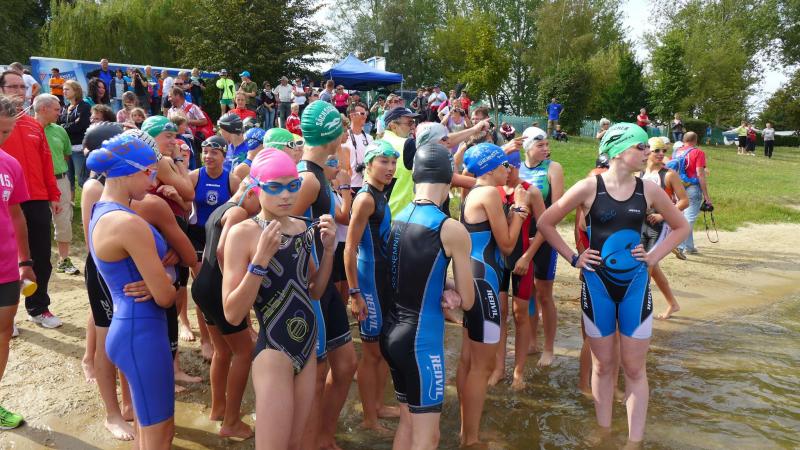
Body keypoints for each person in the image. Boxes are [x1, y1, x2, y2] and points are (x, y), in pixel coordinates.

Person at [537, 122, 690, 445]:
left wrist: (652, 256)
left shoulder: (647, 190)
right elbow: (546, 222)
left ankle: (634, 442)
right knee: (603, 365)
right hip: (598, 288)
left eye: (647, 147)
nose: (648, 152)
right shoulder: (589, 187)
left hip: (635, 287)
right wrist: (574, 257)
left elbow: (680, 227)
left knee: (634, 369)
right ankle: (604, 433)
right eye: (641, 147)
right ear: (619, 151)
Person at [222, 149, 336, 449]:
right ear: (256, 188)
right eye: (274, 187)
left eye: (292, 185)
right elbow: (232, 313)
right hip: (274, 351)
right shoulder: (242, 233)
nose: (286, 195)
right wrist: (260, 260)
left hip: (307, 346)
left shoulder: (301, 227)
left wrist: (329, 251)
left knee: (295, 445)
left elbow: (315, 291)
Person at [380, 141, 475, 450]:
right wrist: (456, 292)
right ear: (449, 181)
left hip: (392, 334)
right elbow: (469, 300)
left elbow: (411, 273)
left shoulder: (398, 216)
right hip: (422, 343)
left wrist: (444, 285)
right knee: (428, 437)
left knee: (407, 423)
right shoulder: (450, 229)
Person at [85, 134, 179, 448]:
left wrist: (160, 276)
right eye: (149, 172)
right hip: (143, 333)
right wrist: (166, 281)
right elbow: (165, 296)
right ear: (128, 171)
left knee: (146, 427)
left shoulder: (101, 210)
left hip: (130, 327)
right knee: (160, 435)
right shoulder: (127, 223)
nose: (153, 180)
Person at [291, 101, 356, 450]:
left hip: (326, 284)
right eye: (340, 129)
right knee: (313, 377)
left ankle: (323, 436)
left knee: (345, 366)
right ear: (331, 134)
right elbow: (273, 228)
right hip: (310, 289)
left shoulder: (319, 174)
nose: (344, 135)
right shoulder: (307, 179)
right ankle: (309, 441)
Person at [456, 142, 528, 447]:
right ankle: (471, 439)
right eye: (505, 165)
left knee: (467, 359)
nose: (509, 170)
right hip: (485, 282)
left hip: (471, 277)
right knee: (481, 366)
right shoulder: (488, 194)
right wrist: (520, 210)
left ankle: (465, 430)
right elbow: (508, 246)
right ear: (491, 167)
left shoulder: (472, 192)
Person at [191, 176, 260, 439]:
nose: (258, 210)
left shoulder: (220, 208)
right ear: (250, 194)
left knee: (222, 351)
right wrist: (234, 286)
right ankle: (231, 422)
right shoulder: (239, 212)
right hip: (218, 289)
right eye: (259, 202)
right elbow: (221, 250)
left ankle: (218, 409)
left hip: (202, 286)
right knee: (244, 352)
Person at [343, 140, 399, 431]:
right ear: (369, 164)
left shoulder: (380, 193)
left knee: (384, 350)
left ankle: (378, 406)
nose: (390, 168)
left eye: (393, 162)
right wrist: (355, 293)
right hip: (369, 283)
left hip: (383, 279)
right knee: (372, 354)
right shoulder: (365, 198)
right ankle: (369, 418)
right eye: (384, 162)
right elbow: (349, 248)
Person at [2, 71, 62, 331]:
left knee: (40, 257)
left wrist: (54, 194)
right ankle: (7, 315)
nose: (19, 91)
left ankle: (38, 307)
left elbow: (46, 163)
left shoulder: (34, 125)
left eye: (21, 87)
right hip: (6, 197)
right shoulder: (3, 124)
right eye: (12, 86)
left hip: (36, 197)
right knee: (6, 257)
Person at [492, 150, 547, 390]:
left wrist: (527, 257)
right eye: (502, 168)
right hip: (499, 260)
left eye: (509, 168)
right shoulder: (494, 191)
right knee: (500, 314)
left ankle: (518, 372)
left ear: (516, 167)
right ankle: (499, 369)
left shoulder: (530, 191)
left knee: (520, 315)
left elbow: (545, 227)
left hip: (522, 259)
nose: (506, 173)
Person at [0, 93, 34, 429]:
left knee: (3, 332)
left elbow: (16, 214)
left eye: (7, 131)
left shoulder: (10, 164)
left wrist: (25, 261)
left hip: (6, 267)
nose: (2, 137)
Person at [518, 126, 564, 367]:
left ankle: (549, 348)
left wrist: (539, 236)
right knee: (527, 293)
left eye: (547, 144)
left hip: (544, 237)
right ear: (527, 148)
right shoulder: (517, 167)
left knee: (544, 294)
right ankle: (532, 342)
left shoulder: (553, 168)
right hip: (520, 237)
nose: (546, 149)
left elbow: (557, 210)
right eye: (540, 145)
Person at [641, 137, 689, 319]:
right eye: (657, 151)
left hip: (663, 225)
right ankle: (673, 304)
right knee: (652, 267)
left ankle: (640, 310)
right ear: (648, 151)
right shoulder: (639, 173)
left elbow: (684, 201)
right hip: (643, 224)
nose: (661, 154)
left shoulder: (669, 175)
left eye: (664, 151)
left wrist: (663, 215)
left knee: (646, 264)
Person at [34, 94, 78, 276]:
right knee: (35, 221)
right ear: (43, 109)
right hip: (35, 182)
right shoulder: (26, 129)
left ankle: (64, 259)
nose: (60, 113)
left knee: (63, 220)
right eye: (57, 109)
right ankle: (33, 261)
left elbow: (66, 155)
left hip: (60, 180)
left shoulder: (60, 130)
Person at [672, 132, 712, 258]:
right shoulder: (698, 153)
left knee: (683, 217)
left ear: (684, 140)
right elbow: (700, 174)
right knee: (689, 219)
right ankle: (679, 245)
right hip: (693, 187)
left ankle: (689, 247)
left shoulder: (676, 152)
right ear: (695, 140)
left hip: (678, 186)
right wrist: (706, 196)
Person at [61, 80, 92, 193]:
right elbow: (58, 123)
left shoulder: (84, 107)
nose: (64, 91)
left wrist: (63, 126)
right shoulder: (65, 107)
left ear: (76, 91)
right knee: (68, 181)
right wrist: (70, 124)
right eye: (63, 89)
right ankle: (71, 201)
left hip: (79, 149)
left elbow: (80, 126)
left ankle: (89, 200)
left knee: (83, 180)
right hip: (66, 149)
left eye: (67, 89)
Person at [343, 102, 374, 193]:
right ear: (352, 115)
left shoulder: (369, 138)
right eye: (362, 114)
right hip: (349, 186)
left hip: (366, 184)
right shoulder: (344, 137)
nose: (365, 116)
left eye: (366, 114)